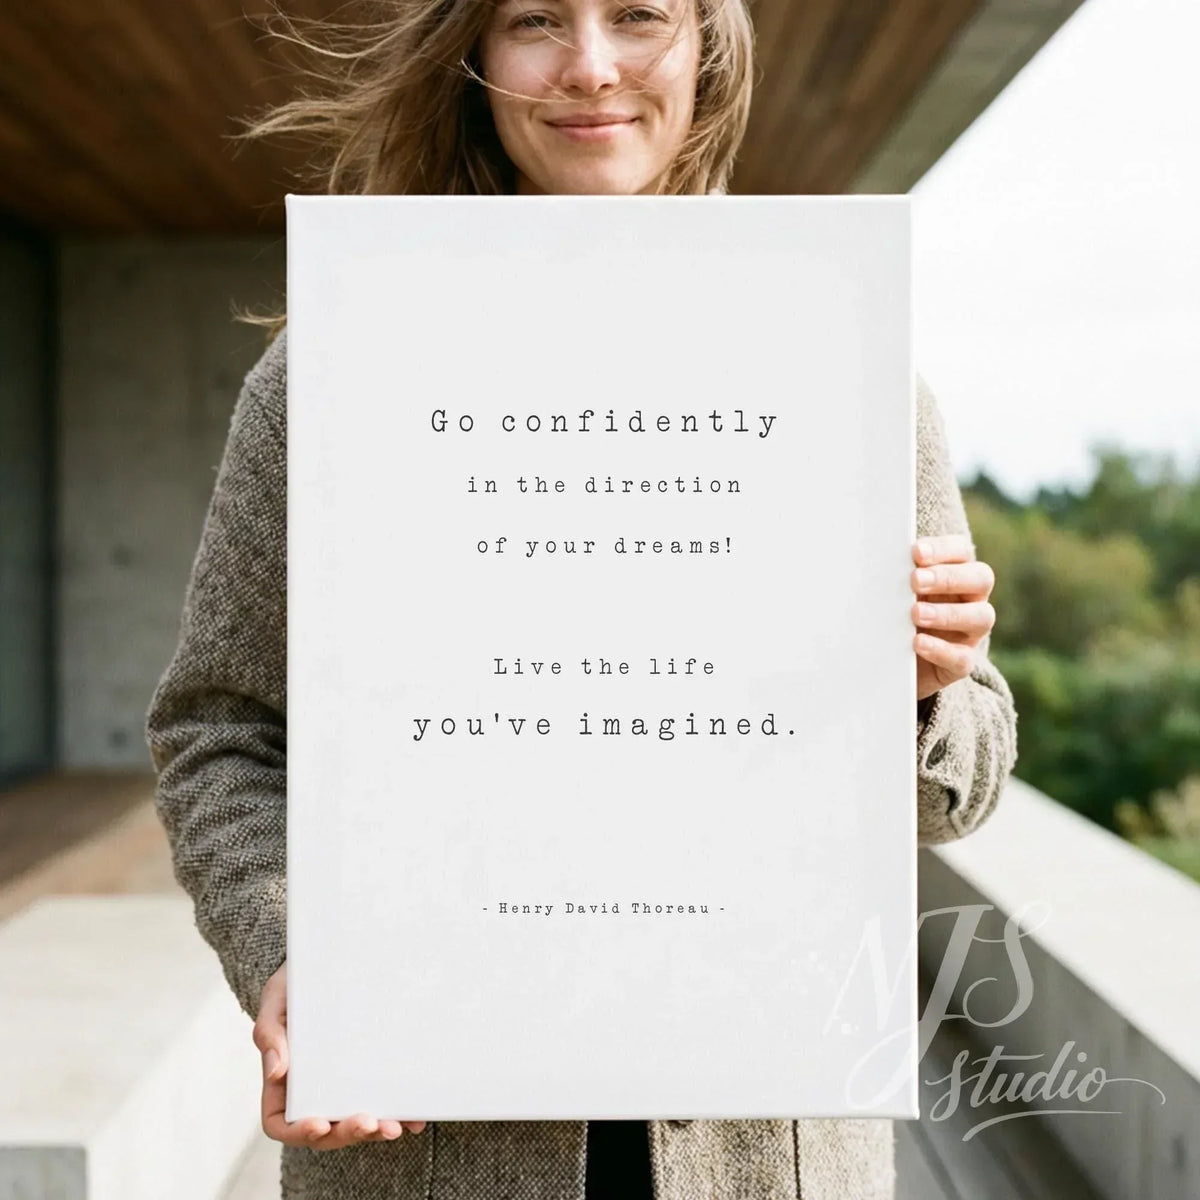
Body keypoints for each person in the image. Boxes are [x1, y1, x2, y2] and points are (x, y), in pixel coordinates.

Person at [143, 0, 1019, 1194]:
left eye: (638, 14)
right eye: (537, 20)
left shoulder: (837, 354)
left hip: (766, 1147)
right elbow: (220, 727)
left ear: (707, 45)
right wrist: (287, 947)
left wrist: (920, 693)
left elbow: (961, 786)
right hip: (429, 1145)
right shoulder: (335, 371)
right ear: (474, 58)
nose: (593, 68)